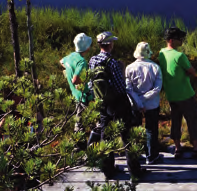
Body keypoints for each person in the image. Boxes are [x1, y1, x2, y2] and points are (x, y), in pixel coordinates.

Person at [88, 31, 142, 178]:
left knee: (106, 137)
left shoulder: (92, 60)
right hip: (117, 104)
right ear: (110, 44)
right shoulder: (112, 62)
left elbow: (89, 83)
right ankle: (135, 170)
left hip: (102, 104)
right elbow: (120, 86)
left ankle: (108, 170)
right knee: (127, 136)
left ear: (99, 45)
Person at [158, 26, 197, 157]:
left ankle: (177, 148)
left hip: (171, 95)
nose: (182, 40)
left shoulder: (161, 53)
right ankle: (196, 147)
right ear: (172, 40)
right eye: (180, 38)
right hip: (186, 94)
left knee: (175, 121)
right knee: (192, 120)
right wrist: (187, 74)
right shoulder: (180, 56)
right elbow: (192, 72)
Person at [126, 41, 163, 164]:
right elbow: (157, 89)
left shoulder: (129, 68)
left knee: (135, 130)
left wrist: (138, 102)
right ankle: (152, 156)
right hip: (152, 104)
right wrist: (144, 100)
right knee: (151, 130)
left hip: (135, 105)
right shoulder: (155, 67)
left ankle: (135, 156)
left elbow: (128, 89)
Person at [60, 32, 93, 131]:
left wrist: (69, 70)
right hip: (83, 96)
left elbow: (61, 61)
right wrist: (84, 80)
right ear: (87, 48)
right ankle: (79, 143)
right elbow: (75, 80)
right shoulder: (81, 62)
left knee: (81, 118)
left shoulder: (70, 56)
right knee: (81, 121)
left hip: (75, 93)